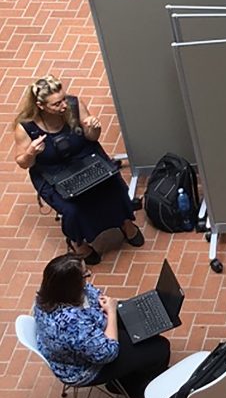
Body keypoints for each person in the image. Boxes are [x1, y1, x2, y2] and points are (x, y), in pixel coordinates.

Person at [12, 76, 143, 265]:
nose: (64, 105)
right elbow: (23, 162)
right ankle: (78, 242)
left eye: (63, 99)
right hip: (53, 173)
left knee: (113, 185)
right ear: (41, 105)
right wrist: (31, 152)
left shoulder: (74, 105)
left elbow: (91, 138)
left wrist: (94, 128)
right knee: (72, 210)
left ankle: (125, 223)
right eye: (56, 104)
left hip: (84, 159)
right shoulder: (26, 128)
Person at [33, 254, 170, 398]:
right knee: (160, 348)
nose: (89, 276)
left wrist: (107, 311)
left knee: (144, 322)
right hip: (88, 366)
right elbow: (108, 353)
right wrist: (111, 312)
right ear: (72, 285)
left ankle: (132, 370)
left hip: (93, 331)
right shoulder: (71, 324)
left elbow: (93, 293)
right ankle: (133, 387)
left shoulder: (51, 293)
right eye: (85, 275)